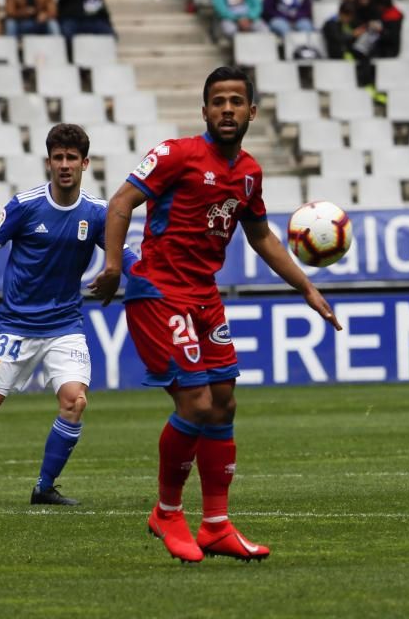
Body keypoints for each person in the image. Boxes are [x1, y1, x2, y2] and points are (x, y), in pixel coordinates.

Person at [90, 67, 341, 563]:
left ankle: (216, 525)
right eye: (218, 102)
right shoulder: (176, 154)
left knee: (224, 401)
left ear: (253, 111)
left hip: (203, 297)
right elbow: (120, 202)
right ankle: (166, 511)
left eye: (236, 101)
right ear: (204, 111)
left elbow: (262, 235)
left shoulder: (248, 172)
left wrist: (306, 286)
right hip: (158, 292)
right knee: (197, 402)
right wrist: (115, 264)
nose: (227, 109)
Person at [0, 124, 137, 506]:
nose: (64, 165)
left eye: (71, 158)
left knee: (75, 401)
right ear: (48, 162)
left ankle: (44, 488)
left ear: (84, 163)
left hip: (65, 325)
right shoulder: (25, 205)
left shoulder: (98, 213)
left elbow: (129, 257)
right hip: (17, 326)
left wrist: (154, 283)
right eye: (58, 158)